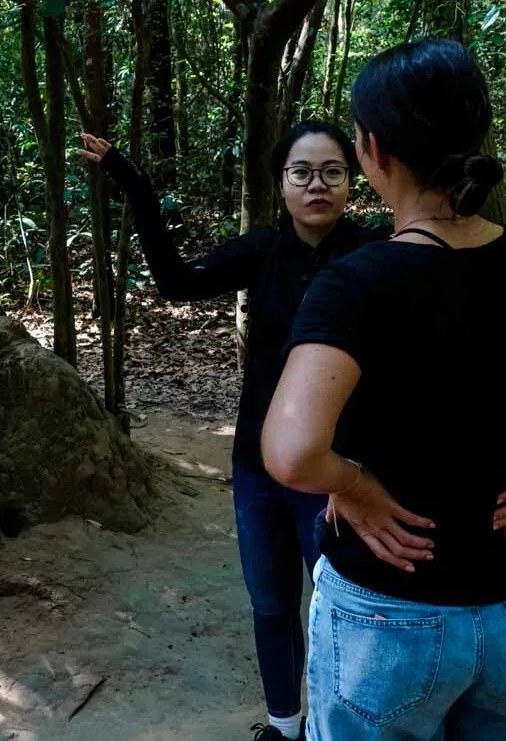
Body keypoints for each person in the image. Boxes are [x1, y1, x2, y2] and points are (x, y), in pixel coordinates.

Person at [262, 38, 506, 740]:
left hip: (385, 612)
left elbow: (291, 452)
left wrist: (355, 485)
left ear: (373, 151)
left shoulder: (357, 282)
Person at [79, 122, 385, 740]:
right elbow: (177, 283)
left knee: (345, 610)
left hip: (335, 472)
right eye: (302, 172)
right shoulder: (264, 250)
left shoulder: (376, 255)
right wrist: (133, 183)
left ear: (353, 182)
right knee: (272, 605)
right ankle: (284, 724)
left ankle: (339, 727)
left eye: (332, 171)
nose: (317, 185)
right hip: (259, 469)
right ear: (281, 183)